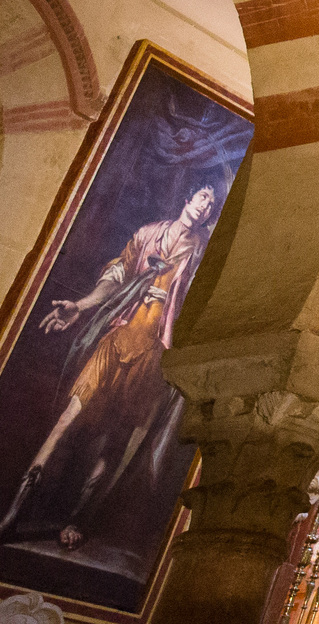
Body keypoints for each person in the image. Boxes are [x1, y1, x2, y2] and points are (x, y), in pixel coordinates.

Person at [0, 185, 216, 550]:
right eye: (202, 197)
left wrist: (174, 306)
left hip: (153, 352)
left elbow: (200, 304)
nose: (205, 205)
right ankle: (16, 509)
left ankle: (79, 519)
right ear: (188, 200)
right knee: (68, 417)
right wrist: (80, 306)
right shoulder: (149, 234)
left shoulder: (201, 252)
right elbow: (117, 275)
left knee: (117, 437)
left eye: (212, 203)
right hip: (118, 338)